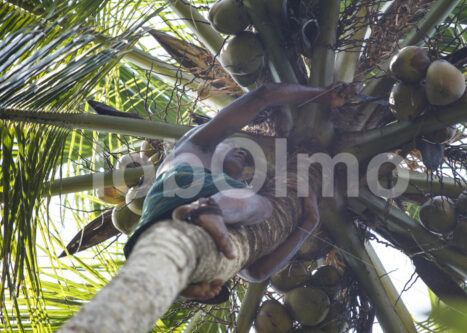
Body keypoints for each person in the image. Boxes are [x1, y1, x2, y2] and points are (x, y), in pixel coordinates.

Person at [123, 82, 355, 301]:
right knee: (262, 206)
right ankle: (210, 213)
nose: (241, 153)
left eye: (244, 162)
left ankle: (181, 281)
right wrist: (320, 94)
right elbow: (262, 95)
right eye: (234, 146)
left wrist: (309, 225)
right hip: (180, 188)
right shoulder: (194, 146)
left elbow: (257, 274)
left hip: (156, 225)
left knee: (246, 208)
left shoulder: (236, 235)